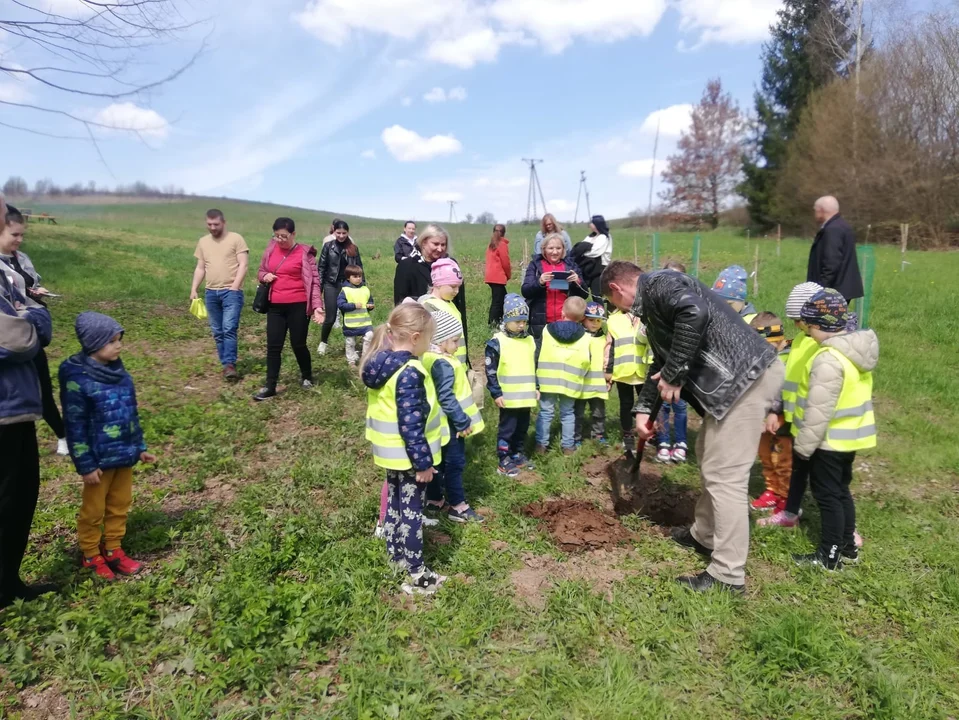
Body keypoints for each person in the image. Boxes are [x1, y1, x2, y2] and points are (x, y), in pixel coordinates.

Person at [602, 260, 783, 595]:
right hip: (735, 384)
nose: (622, 310)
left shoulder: (659, 283)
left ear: (617, 289)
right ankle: (705, 534)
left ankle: (728, 575)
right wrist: (644, 411)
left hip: (747, 379)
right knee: (708, 456)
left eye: (616, 304)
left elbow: (694, 314)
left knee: (725, 476)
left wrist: (675, 374)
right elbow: (661, 362)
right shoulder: (656, 309)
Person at [59, 312, 157, 581]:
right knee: (93, 510)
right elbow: (74, 425)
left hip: (123, 454)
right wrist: (85, 464)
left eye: (119, 340)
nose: (118, 345)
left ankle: (113, 548)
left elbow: (129, 413)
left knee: (120, 504)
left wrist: (139, 446)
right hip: (98, 462)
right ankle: (90, 553)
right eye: (111, 341)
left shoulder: (119, 371)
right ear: (93, 344)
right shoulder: (77, 378)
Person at [362, 303, 446, 595]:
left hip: (388, 452)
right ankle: (416, 573)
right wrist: (423, 463)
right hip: (409, 457)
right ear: (414, 338)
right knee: (411, 512)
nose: (429, 343)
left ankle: (396, 556)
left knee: (396, 505)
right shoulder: (409, 371)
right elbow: (411, 424)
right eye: (428, 337)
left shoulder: (380, 362)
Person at [790, 289, 877, 569]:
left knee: (827, 498)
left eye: (810, 327)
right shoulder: (853, 352)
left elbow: (818, 412)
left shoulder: (828, 359)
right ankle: (848, 549)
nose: (808, 333)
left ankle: (828, 556)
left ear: (819, 326)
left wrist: (803, 448)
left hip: (828, 443)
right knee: (841, 492)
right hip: (849, 438)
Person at [0, 252, 57, 609]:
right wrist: (32, 315)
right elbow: (18, 339)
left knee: (19, 497)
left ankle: (8, 582)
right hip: (4, 407)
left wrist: (27, 316)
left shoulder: (7, 272)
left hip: (14, 406)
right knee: (9, 497)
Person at [757, 282, 825, 528]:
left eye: (799, 319)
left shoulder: (807, 347)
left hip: (794, 421)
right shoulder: (798, 342)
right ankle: (779, 498)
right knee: (773, 460)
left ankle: (787, 502)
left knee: (789, 464)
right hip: (782, 418)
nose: (797, 324)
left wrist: (777, 411)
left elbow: (788, 385)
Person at [0, 206, 67, 455]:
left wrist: (34, 292)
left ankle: (62, 436)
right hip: (12, 337)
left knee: (42, 388)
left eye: (22, 235)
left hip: (31, 332)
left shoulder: (22, 259)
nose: (19, 240)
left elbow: (29, 285)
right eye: (14, 234)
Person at [423, 311, 485, 523]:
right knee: (455, 464)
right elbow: (446, 396)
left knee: (435, 462)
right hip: (451, 426)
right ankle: (458, 506)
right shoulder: (443, 363)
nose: (458, 346)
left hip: (434, 425)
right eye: (455, 340)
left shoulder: (426, 358)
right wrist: (461, 421)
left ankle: (434, 500)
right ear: (440, 340)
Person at [254, 217, 324, 401]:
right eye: (276, 236)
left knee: (298, 343)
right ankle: (270, 386)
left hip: (298, 305)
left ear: (293, 234)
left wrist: (317, 307)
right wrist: (265, 276)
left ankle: (307, 376)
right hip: (275, 306)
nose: (280, 240)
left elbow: (315, 282)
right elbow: (261, 271)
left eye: (284, 236)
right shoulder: (270, 249)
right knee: (273, 346)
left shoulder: (304, 253)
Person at [190, 209, 249, 381]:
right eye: (209, 224)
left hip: (231, 292)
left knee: (229, 329)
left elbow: (243, 265)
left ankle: (230, 364)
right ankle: (225, 364)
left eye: (216, 224)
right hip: (210, 293)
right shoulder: (203, 242)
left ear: (224, 222)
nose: (212, 227)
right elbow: (200, 267)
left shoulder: (236, 239)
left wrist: (235, 287)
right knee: (217, 331)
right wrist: (194, 288)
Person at [393, 224, 469, 356]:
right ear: (423, 242)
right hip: (422, 337)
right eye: (435, 244)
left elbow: (459, 304)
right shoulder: (407, 266)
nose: (440, 249)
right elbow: (401, 304)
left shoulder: (451, 265)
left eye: (443, 245)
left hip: (451, 338)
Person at [486, 294, 536, 478]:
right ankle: (504, 458)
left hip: (526, 396)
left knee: (522, 427)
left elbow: (533, 366)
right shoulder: (497, 342)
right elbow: (490, 370)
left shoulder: (529, 340)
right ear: (506, 320)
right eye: (516, 321)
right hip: (508, 397)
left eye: (524, 321)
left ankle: (517, 453)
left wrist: (536, 387)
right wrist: (496, 392)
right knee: (507, 429)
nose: (521, 325)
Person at [748, 312, 793, 513]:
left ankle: (785, 496)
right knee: (765, 456)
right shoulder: (758, 357)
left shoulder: (785, 359)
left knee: (782, 459)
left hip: (781, 419)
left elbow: (783, 389)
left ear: (780, 340)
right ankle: (772, 490)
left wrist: (775, 413)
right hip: (761, 416)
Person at [535, 296, 591, 455]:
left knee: (546, 412)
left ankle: (541, 445)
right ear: (582, 318)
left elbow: (537, 353)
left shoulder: (546, 330)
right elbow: (587, 360)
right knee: (568, 413)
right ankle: (568, 447)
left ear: (562, 312)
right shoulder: (586, 337)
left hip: (547, 380)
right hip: (571, 381)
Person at [521, 233, 587, 340]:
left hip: (566, 321)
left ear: (563, 250)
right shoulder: (535, 265)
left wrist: (577, 281)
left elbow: (584, 294)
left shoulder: (571, 266)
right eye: (551, 248)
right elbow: (525, 291)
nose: (555, 252)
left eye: (558, 248)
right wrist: (540, 282)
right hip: (541, 322)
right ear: (544, 249)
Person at [605, 305, 650, 455]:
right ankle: (628, 434)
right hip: (622, 369)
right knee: (626, 404)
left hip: (643, 369)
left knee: (645, 404)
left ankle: (647, 433)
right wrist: (608, 371)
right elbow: (609, 347)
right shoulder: (613, 319)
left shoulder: (646, 314)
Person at [655, 260, 689, 463]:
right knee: (662, 405)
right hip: (661, 363)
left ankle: (681, 442)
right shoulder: (658, 307)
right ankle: (664, 441)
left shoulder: (687, 306)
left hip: (682, 367)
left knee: (680, 405)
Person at [807, 196, 864, 303]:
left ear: (821, 211)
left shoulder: (832, 230)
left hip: (834, 289)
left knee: (828, 319)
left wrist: (820, 291)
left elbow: (831, 262)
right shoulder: (842, 225)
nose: (814, 213)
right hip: (842, 287)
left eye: (815, 210)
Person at [317, 220, 362, 355]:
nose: (341, 235)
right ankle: (323, 342)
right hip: (331, 284)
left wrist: (361, 285)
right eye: (338, 233)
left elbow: (359, 268)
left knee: (350, 317)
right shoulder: (328, 246)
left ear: (348, 232)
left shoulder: (353, 248)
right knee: (330, 318)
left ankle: (351, 347)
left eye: (344, 233)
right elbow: (321, 267)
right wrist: (319, 288)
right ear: (334, 232)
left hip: (348, 285)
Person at [420, 258, 467, 365]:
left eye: (458, 287)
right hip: (442, 367)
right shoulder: (428, 306)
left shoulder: (450, 304)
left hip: (458, 364)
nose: (457, 291)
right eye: (453, 286)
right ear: (438, 284)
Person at [575, 301, 608, 447]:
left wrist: (609, 379)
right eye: (591, 320)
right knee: (578, 413)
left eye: (598, 320)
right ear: (583, 319)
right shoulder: (578, 337)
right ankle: (576, 437)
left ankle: (599, 435)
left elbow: (608, 359)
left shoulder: (604, 339)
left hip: (598, 384)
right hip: (581, 383)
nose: (595, 323)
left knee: (599, 412)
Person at [338, 265, 374, 368]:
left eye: (360, 276)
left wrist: (370, 306)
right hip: (351, 323)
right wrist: (353, 306)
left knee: (370, 336)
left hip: (365, 322)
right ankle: (351, 361)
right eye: (355, 276)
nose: (358, 279)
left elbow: (370, 300)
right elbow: (341, 305)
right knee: (350, 342)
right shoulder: (345, 291)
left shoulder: (365, 289)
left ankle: (365, 358)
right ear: (348, 278)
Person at [571, 215, 613, 298]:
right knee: (581, 289)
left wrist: (583, 251)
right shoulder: (591, 236)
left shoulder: (604, 237)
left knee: (596, 293)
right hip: (589, 267)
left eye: (592, 223)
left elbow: (595, 252)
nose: (590, 224)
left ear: (596, 224)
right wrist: (585, 247)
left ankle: (599, 310)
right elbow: (581, 246)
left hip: (599, 268)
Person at [484, 224, 512, 326]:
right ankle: (493, 323)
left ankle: (500, 320)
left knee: (502, 298)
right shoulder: (502, 244)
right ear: (504, 233)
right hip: (498, 277)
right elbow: (505, 262)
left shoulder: (491, 244)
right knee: (497, 302)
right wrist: (508, 275)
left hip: (491, 276)